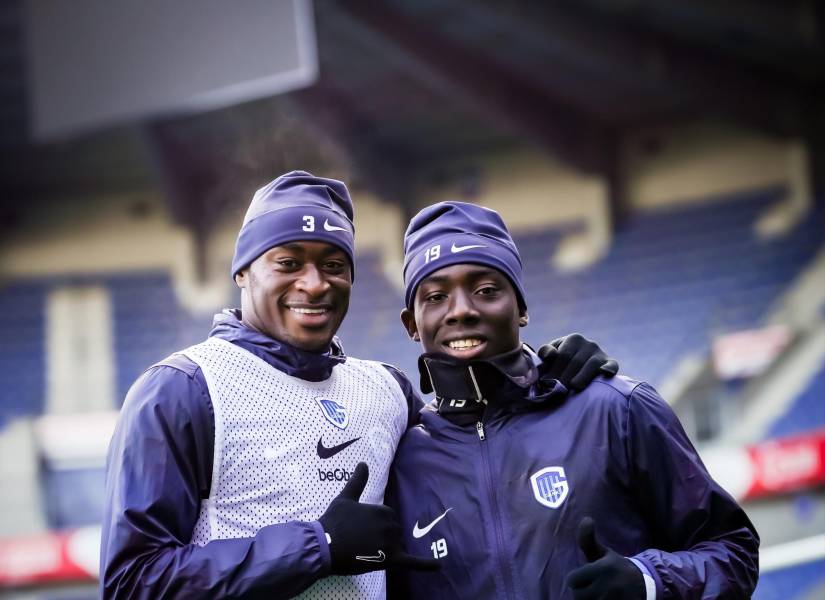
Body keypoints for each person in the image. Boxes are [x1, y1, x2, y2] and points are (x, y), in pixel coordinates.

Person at [100, 172, 616, 599]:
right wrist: (318, 545)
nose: (314, 283)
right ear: (243, 271)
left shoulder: (385, 390)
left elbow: (479, 429)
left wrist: (543, 370)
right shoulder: (181, 389)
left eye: (333, 265)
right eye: (288, 262)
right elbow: (131, 581)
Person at [386, 201, 760, 599]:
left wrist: (647, 581)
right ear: (412, 323)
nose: (461, 311)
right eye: (436, 296)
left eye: (486, 290)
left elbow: (734, 552)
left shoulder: (616, 408)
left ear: (521, 307)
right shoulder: (399, 460)